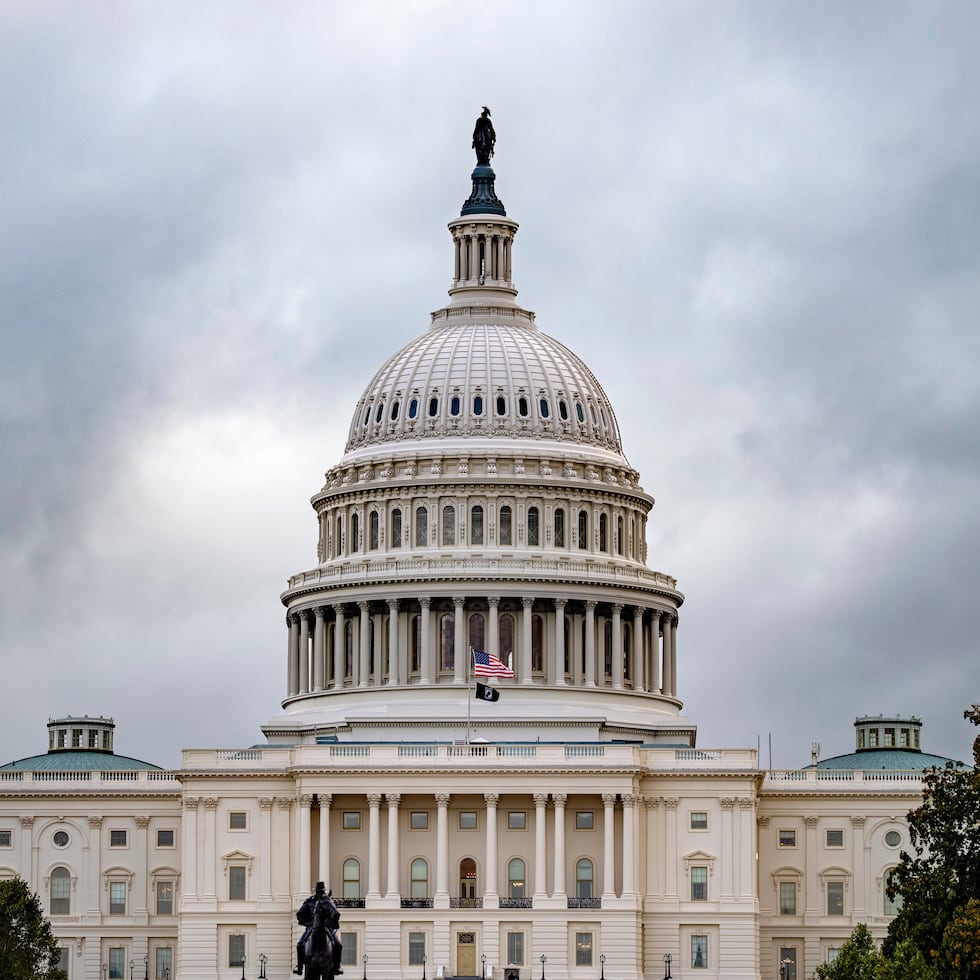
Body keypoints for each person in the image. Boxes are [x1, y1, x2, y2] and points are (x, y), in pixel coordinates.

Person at [294, 882, 343, 976]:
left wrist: (332, 923)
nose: (320, 893)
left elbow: (334, 913)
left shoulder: (327, 900)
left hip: (327, 928)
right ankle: (299, 967)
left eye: (321, 891)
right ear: (315, 891)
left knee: (338, 945)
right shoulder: (310, 901)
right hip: (311, 927)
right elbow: (300, 914)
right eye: (319, 891)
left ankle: (337, 966)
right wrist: (308, 923)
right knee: (300, 945)